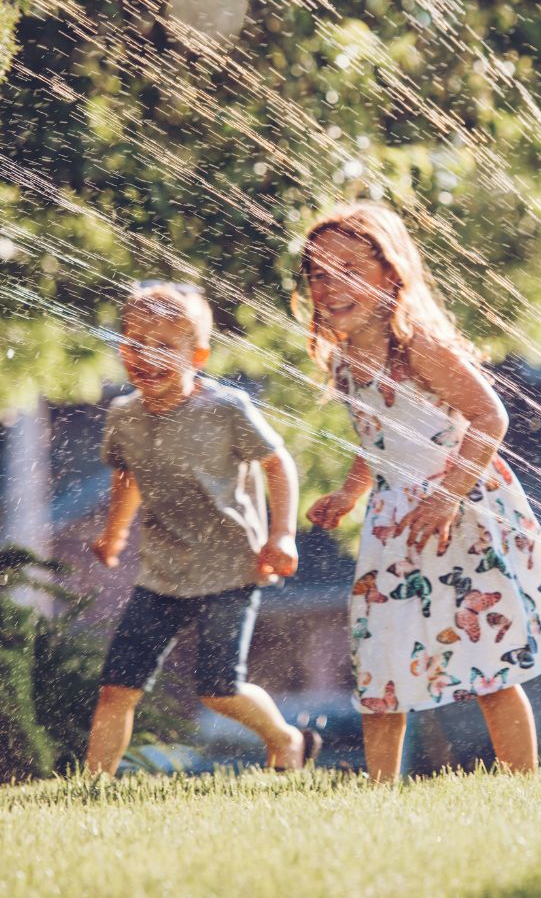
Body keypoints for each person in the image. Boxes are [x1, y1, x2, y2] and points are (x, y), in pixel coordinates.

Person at [296, 202, 541, 780]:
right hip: (395, 522)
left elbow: (490, 417)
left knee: (490, 663)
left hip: (459, 514)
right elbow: (377, 439)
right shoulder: (346, 360)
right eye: (319, 273)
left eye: (350, 269)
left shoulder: (417, 346)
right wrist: (352, 492)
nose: (331, 285)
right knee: (380, 656)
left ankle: (522, 788)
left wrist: (450, 494)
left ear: (390, 273)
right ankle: (381, 793)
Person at [85, 281, 319, 775]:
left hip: (231, 569)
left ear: (199, 354)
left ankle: (286, 738)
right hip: (162, 573)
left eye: (163, 345)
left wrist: (282, 534)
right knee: (117, 687)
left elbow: (278, 465)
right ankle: (93, 786)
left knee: (218, 689)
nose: (144, 354)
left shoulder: (226, 408)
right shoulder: (124, 415)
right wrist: (115, 534)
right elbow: (126, 475)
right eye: (133, 340)